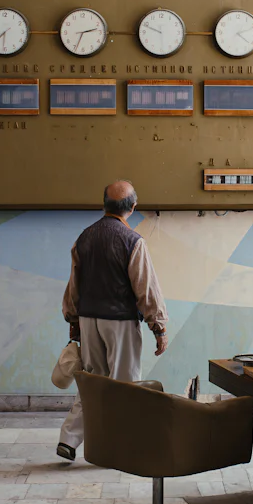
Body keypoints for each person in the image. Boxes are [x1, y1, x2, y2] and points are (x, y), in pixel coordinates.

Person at [57, 180, 169, 461]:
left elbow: (74, 284)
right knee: (125, 385)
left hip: (88, 321)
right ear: (133, 207)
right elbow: (146, 288)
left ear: (104, 205)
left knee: (93, 383)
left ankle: (68, 440)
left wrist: (73, 318)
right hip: (119, 323)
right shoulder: (133, 241)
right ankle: (121, 448)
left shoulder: (83, 238)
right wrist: (159, 327)